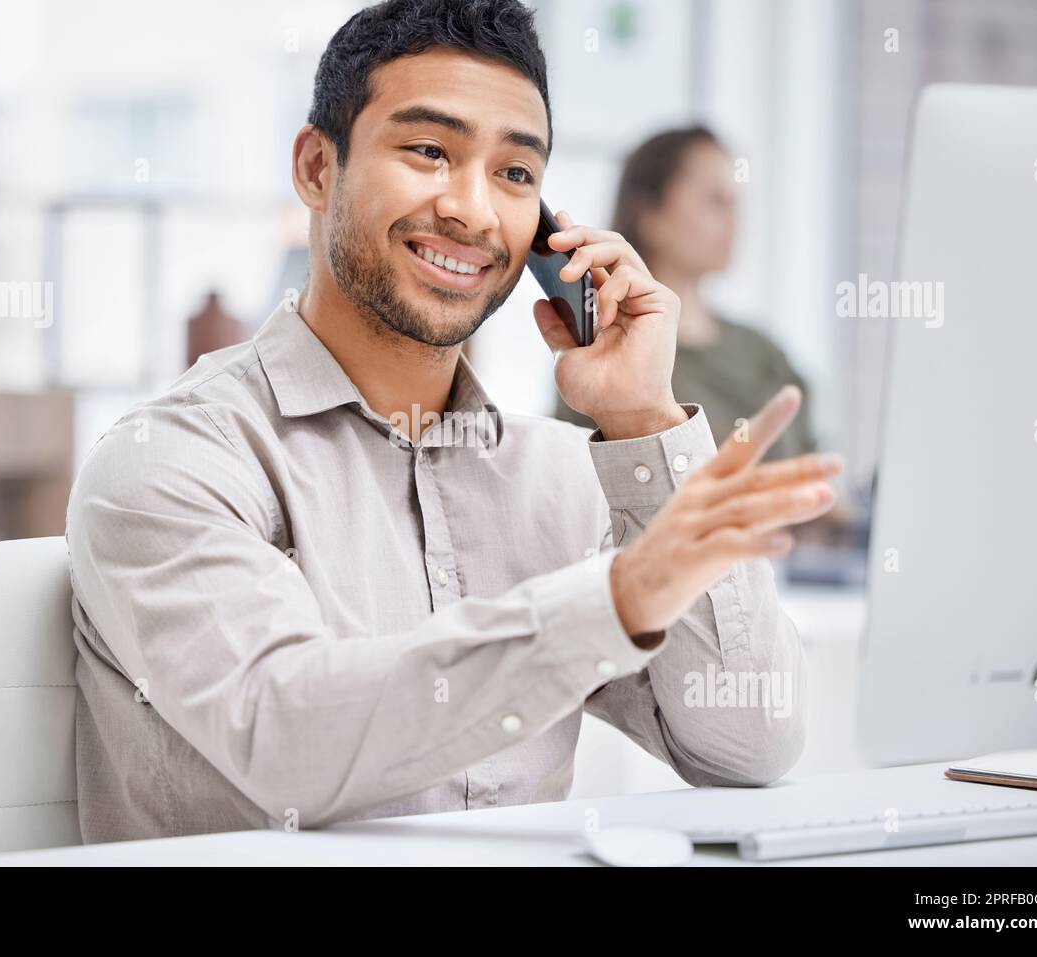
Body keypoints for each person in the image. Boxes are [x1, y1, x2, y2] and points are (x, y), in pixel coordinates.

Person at [66, 0, 841, 843]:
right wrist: (610, 603)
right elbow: (286, 739)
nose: (473, 212)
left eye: (515, 174)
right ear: (317, 167)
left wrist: (641, 416)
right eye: (430, 150)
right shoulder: (170, 463)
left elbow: (751, 745)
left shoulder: (559, 477)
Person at [557, 126, 818, 463]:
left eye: (735, 203)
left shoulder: (764, 353)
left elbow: (815, 476)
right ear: (649, 212)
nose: (734, 221)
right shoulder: (605, 353)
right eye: (715, 201)